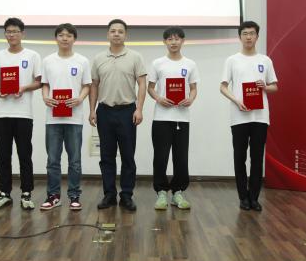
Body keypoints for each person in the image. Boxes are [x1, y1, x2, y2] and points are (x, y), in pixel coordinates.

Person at [89, 19, 147, 211]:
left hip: (127, 111)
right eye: (113, 31)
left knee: (128, 156)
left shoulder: (135, 57)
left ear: (125, 35)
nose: (116, 34)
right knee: (106, 156)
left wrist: (139, 109)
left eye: (120, 31)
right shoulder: (98, 58)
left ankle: (127, 195)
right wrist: (92, 110)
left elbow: (142, 83)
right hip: (104, 111)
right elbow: (94, 85)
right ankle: (109, 195)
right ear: (108, 34)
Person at [0, 17, 42, 210]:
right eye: (8, 32)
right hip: (1, 114)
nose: (12, 35)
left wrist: (23, 88)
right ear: (5, 35)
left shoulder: (32, 55)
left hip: (24, 114)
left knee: (25, 154)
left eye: (15, 31)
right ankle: (4, 193)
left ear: (22, 34)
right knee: (4, 155)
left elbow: (39, 82)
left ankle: (26, 193)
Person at [220, 21, 278, 212]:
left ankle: (254, 197)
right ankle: (243, 197)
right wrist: (237, 101)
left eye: (252, 33)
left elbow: (274, 87)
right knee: (239, 157)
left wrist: (265, 87)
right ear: (240, 37)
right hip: (239, 116)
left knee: (257, 157)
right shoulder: (232, 60)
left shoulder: (265, 60)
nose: (248, 37)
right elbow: (223, 87)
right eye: (245, 33)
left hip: (260, 117)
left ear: (257, 36)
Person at [40, 23, 91, 211]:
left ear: (74, 39)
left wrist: (80, 98)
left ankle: (74, 195)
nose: (65, 38)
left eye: (69, 35)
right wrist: (45, 97)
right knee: (53, 160)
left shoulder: (82, 61)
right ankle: (53, 196)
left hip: (74, 118)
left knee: (74, 160)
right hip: (52, 118)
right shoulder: (48, 60)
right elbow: (45, 84)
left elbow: (87, 85)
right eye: (61, 35)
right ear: (56, 38)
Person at [147, 26, 199, 210]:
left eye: (177, 39)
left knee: (181, 157)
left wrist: (190, 99)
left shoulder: (190, 64)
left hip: (182, 118)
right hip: (161, 117)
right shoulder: (157, 63)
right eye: (170, 39)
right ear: (165, 42)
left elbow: (193, 88)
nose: (173, 42)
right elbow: (150, 87)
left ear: (183, 41)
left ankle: (178, 192)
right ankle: (161, 192)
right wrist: (159, 98)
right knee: (160, 157)